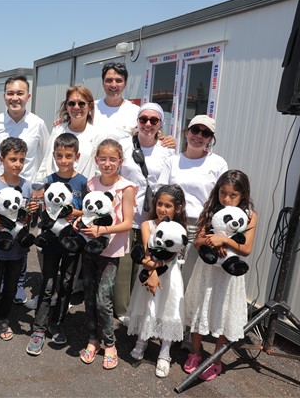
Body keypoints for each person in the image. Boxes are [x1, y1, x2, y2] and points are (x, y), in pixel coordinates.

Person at [183, 170, 258, 381]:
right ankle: (195, 353)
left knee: (224, 312)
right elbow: (197, 242)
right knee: (201, 307)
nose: (226, 199)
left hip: (229, 275)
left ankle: (216, 358)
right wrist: (209, 240)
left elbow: (247, 249)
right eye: (222, 193)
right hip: (206, 271)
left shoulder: (250, 215)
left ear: (243, 194)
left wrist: (224, 240)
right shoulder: (210, 211)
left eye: (233, 195)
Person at [0, 75, 50, 304]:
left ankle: (18, 284)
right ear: (4, 96)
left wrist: (38, 188)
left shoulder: (38, 124)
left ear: (28, 96)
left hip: (25, 191)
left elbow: (46, 155)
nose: (15, 98)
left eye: (20, 93)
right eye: (10, 93)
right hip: (0, 192)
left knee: (21, 237)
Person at [77, 139, 136, 370]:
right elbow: (87, 213)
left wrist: (102, 230)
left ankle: (110, 344)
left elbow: (128, 223)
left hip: (111, 250)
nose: (107, 163)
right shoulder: (91, 184)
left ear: (120, 161)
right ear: (96, 160)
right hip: (89, 247)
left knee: (104, 299)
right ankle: (93, 339)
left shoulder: (126, 188)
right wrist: (79, 223)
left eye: (113, 159)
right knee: (89, 296)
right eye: (103, 159)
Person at [26, 133, 87, 356]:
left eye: (68, 156)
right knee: (48, 283)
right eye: (59, 156)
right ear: (53, 156)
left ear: (76, 156)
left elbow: (87, 210)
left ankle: (57, 322)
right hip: (51, 241)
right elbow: (43, 207)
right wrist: (37, 205)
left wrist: (72, 212)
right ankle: (39, 329)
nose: (63, 160)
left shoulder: (82, 182)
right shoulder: (49, 181)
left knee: (67, 284)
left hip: (71, 242)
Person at [0, 137, 38, 351]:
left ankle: (3, 319)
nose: (17, 164)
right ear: (2, 159)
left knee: (11, 288)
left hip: (18, 250)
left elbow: (28, 218)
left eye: (21, 160)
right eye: (13, 159)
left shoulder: (27, 186)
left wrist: (30, 213)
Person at [116, 103, 175, 318]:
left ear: (160, 124)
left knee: (145, 262)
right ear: (137, 121)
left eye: (154, 120)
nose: (148, 124)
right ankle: (122, 311)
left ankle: (138, 309)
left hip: (151, 217)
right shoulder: (123, 146)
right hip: (126, 214)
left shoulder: (168, 151)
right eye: (143, 119)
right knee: (123, 267)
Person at [157, 115, 228, 286]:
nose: (199, 136)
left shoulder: (218, 163)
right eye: (195, 130)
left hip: (202, 226)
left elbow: (224, 198)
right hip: (172, 223)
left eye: (205, 133)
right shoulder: (172, 161)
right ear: (187, 132)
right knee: (167, 273)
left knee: (191, 278)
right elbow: (160, 192)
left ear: (211, 139)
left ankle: (185, 313)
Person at [126, 185, 188, 378]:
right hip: (148, 270)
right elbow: (147, 252)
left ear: (177, 208)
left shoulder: (179, 229)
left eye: (168, 205)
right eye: (159, 204)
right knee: (147, 306)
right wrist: (152, 272)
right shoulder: (148, 225)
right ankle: (141, 341)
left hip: (169, 276)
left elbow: (170, 255)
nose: (162, 209)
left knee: (167, 309)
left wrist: (156, 272)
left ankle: (164, 352)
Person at [38, 85, 101, 180]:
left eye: (81, 104)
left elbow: (98, 170)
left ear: (90, 107)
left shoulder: (97, 135)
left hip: (82, 191)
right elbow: (46, 163)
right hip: (55, 190)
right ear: (66, 106)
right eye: (71, 103)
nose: (76, 107)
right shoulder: (57, 130)